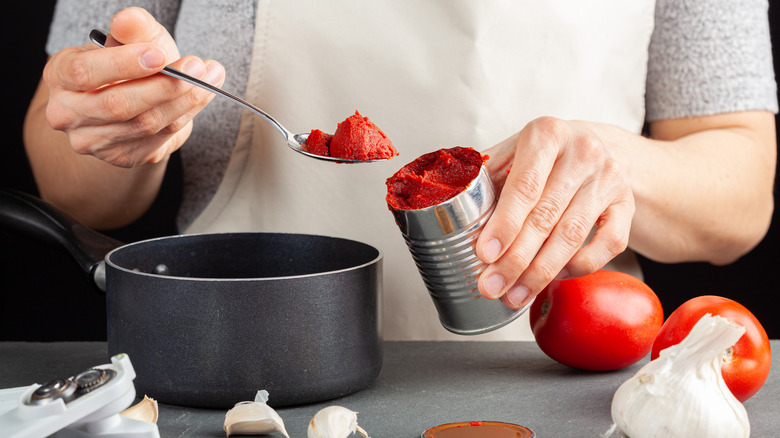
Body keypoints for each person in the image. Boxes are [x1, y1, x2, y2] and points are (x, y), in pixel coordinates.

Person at [24, 0, 777, 341]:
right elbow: (75, 189)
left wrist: (619, 166)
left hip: (557, 389)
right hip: (241, 374)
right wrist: (111, 118)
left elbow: (739, 198)